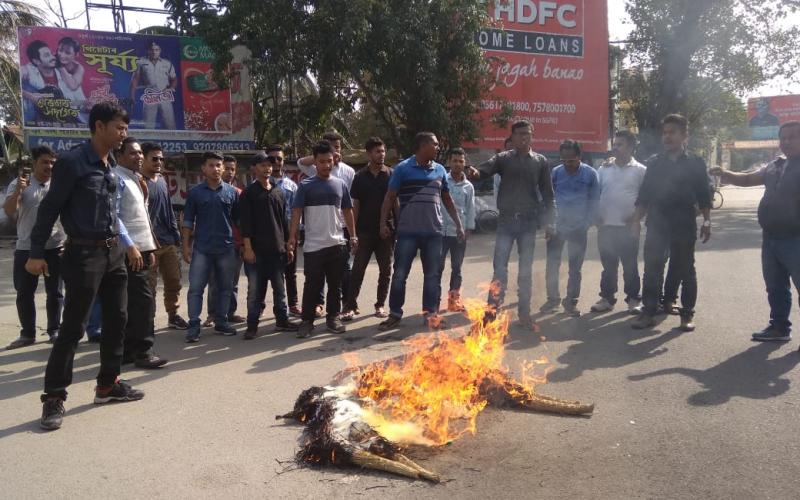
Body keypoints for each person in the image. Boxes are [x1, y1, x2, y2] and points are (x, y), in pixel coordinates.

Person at [27, 102, 145, 431]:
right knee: (73, 328)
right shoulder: (72, 162)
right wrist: (36, 252)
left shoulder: (111, 164)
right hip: (83, 255)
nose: (123, 134)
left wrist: (125, 245)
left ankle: (107, 385)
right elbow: (49, 208)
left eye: (125, 128)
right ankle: (54, 396)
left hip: (113, 253)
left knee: (117, 319)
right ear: (99, 126)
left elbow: (113, 212)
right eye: (119, 128)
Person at [710, 121, 800, 345]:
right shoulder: (775, 165)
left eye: (793, 137)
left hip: (796, 238)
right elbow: (749, 179)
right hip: (771, 238)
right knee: (775, 287)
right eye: (783, 137)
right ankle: (779, 327)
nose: (787, 141)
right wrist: (726, 174)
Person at [468, 120, 555, 328]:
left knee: (525, 271)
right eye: (519, 134)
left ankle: (524, 313)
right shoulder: (503, 159)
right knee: (499, 269)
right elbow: (483, 171)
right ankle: (491, 312)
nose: (524, 137)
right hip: (506, 222)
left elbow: (548, 194)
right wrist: (474, 173)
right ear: (513, 137)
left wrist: (551, 222)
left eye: (527, 133)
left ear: (532, 136)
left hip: (528, 223)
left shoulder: (541, 161)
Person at [631, 114, 712, 332]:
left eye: (672, 132)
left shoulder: (695, 163)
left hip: (684, 223)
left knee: (686, 269)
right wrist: (636, 221)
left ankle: (687, 314)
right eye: (664, 133)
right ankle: (649, 312)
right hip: (657, 223)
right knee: (652, 268)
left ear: (685, 136)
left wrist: (707, 221)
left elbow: (704, 195)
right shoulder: (655, 163)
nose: (667, 137)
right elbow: (644, 195)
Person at [378, 132, 465, 331]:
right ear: (423, 145)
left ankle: (430, 315)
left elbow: (447, 199)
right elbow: (390, 197)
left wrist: (458, 224)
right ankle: (395, 314)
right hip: (407, 232)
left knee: (432, 275)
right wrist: (382, 223)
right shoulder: (403, 169)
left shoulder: (440, 170)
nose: (438, 148)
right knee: (400, 274)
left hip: (434, 233)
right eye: (435, 144)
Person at [288, 141, 357, 338]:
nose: (326, 165)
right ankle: (307, 321)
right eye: (322, 161)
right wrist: (292, 237)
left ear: (334, 160)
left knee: (335, 285)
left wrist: (353, 236)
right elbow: (296, 212)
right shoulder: (305, 186)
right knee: (312, 285)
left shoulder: (340, 184)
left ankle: (332, 318)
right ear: (315, 162)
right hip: (313, 246)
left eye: (329, 161)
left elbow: (348, 211)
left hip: (337, 244)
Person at [112, 137, 168, 368]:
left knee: (132, 302)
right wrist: (130, 246)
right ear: (119, 156)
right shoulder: (117, 178)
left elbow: (142, 217)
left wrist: (149, 246)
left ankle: (128, 351)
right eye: (133, 153)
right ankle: (144, 352)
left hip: (142, 249)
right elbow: (113, 215)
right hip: (128, 251)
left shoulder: (136, 178)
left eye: (140, 153)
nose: (139, 157)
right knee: (143, 302)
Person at [4, 146, 65, 349]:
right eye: (45, 162)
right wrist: (19, 191)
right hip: (26, 248)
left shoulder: (60, 184)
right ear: (35, 163)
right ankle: (27, 333)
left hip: (55, 246)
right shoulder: (20, 183)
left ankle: (54, 330)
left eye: (52, 163)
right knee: (24, 292)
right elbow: (9, 211)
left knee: (55, 292)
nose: (49, 166)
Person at [240, 152, 301, 339]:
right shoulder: (248, 193)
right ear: (254, 168)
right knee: (255, 292)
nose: (267, 168)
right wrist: (248, 248)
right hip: (256, 252)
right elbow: (245, 224)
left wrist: (288, 245)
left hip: (277, 250)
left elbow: (283, 221)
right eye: (263, 165)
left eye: (269, 165)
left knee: (280, 289)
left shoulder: (278, 192)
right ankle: (252, 326)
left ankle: (282, 321)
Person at [181, 152, 240, 342]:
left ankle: (221, 321)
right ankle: (194, 325)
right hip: (202, 249)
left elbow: (239, 221)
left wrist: (245, 245)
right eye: (211, 165)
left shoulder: (231, 192)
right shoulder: (195, 193)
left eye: (218, 165)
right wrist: (186, 246)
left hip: (226, 248)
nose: (216, 169)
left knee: (225, 288)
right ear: (204, 169)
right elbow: (188, 221)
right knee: (196, 289)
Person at [540, 140, 600, 317]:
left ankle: (571, 302)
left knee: (575, 268)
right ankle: (552, 300)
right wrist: (548, 223)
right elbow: (548, 199)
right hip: (557, 227)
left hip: (578, 228)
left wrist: (587, 223)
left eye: (571, 161)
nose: (567, 164)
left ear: (579, 157)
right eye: (564, 160)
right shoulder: (556, 173)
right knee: (552, 265)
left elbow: (595, 201)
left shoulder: (591, 174)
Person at [590, 130, 647, 314]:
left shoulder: (640, 170)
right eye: (614, 144)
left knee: (630, 266)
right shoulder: (604, 169)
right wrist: (595, 215)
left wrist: (636, 217)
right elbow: (595, 194)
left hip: (628, 228)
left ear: (631, 147)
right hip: (606, 226)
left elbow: (646, 199)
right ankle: (607, 299)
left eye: (620, 144)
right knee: (608, 266)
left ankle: (633, 299)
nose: (615, 148)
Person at [342, 137, 395, 320]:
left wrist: (398, 227)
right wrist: (353, 234)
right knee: (358, 270)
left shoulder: (391, 174)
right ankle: (350, 306)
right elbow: (355, 206)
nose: (381, 154)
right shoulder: (359, 177)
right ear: (368, 154)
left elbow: (395, 202)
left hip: (386, 231)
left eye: (383, 151)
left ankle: (380, 305)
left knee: (386, 270)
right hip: (364, 231)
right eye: (377, 151)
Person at [140, 142, 189, 329]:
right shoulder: (138, 182)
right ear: (143, 159)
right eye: (154, 158)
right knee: (149, 287)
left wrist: (176, 236)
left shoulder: (161, 180)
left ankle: (173, 315)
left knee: (174, 282)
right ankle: (147, 321)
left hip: (168, 242)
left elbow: (168, 209)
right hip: (148, 245)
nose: (159, 162)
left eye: (161, 159)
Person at [205, 155, 246, 326]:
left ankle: (230, 312)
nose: (229, 172)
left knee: (232, 282)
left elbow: (242, 222)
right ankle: (213, 314)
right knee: (215, 281)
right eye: (226, 168)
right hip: (215, 245)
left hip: (234, 245)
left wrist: (243, 244)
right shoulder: (208, 192)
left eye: (232, 169)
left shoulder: (238, 193)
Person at [439, 147, 475, 312]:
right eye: (454, 161)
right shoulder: (442, 181)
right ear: (449, 162)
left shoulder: (468, 186)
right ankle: (433, 301)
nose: (457, 164)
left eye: (461, 161)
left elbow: (470, 208)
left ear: (464, 163)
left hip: (459, 234)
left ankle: (453, 301)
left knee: (457, 268)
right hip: (441, 232)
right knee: (437, 268)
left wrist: (468, 228)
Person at [268, 145, 302, 317]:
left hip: (288, 234)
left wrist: (295, 235)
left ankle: (293, 304)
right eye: (272, 159)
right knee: (272, 273)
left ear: (283, 161)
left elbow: (297, 212)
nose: (276, 162)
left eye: (279, 159)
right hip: (269, 235)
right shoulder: (261, 185)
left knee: (290, 272)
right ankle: (271, 306)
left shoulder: (291, 186)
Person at [130, 40, 177, 130]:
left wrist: (171, 88)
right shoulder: (141, 62)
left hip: (164, 96)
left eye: (156, 50)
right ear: (148, 51)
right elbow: (135, 79)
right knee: (148, 125)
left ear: (160, 51)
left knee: (170, 124)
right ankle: (148, 140)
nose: (154, 52)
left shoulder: (167, 63)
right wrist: (132, 96)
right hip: (150, 97)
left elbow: (174, 79)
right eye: (152, 50)